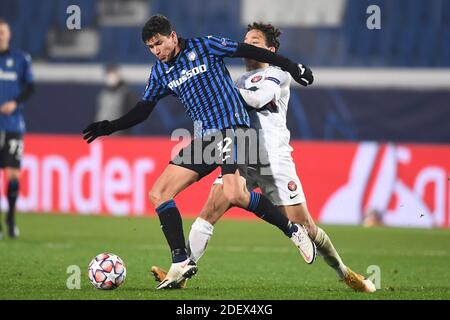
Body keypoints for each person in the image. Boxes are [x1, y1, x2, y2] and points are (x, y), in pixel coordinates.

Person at [82, 14, 315, 290]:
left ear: (172, 36)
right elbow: (144, 109)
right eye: (151, 47)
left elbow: (246, 50)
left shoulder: (204, 46)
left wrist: (291, 65)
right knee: (158, 193)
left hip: (232, 128)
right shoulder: (160, 72)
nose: (157, 51)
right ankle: (181, 260)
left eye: (159, 43)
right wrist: (111, 126)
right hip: (205, 138)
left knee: (234, 194)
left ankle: (292, 230)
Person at [151, 22, 376, 293]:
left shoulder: (277, 74)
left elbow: (258, 100)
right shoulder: (235, 81)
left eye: (255, 41)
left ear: (271, 49)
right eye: (247, 41)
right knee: (208, 213)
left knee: (305, 226)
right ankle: (182, 272)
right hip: (240, 152)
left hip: (273, 160)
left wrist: (215, 94)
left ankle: (345, 272)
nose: (249, 45)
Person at [0, 18, 34, 240]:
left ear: (9, 34)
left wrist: (14, 103)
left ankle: (11, 219)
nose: (0, 35)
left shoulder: (20, 59)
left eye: (3, 31)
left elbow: (30, 87)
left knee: (13, 175)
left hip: (13, 125)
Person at [95, 65, 137, 136]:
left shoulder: (127, 93)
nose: (110, 77)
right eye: (108, 74)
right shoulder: (103, 93)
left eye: (113, 73)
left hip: (119, 134)